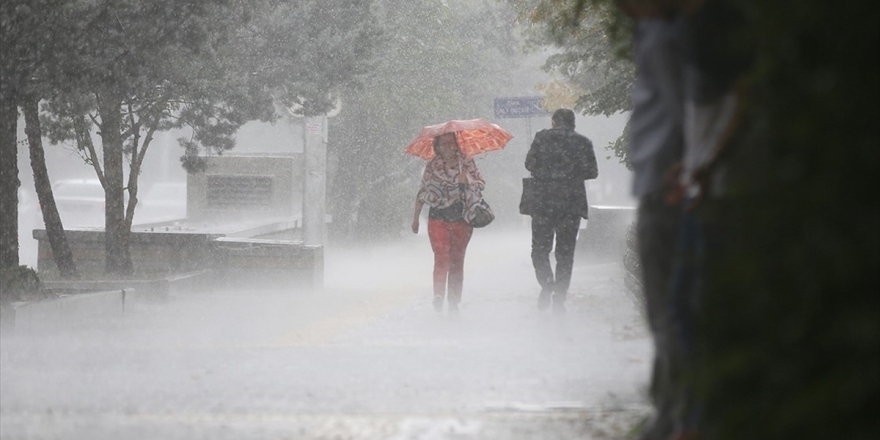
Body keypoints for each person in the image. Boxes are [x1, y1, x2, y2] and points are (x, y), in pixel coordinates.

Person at [614, 0, 687, 438]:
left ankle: (676, 414)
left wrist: (693, 164)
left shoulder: (665, 38)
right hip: (663, 184)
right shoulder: (659, 35)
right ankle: (672, 410)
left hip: (668, 186)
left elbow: (687, 108)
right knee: (667, 308)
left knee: (668, 308)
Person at [524, 108, 598, 314]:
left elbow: (529, 163)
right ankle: (560, 297)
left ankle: (547, 283)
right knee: (565, 254)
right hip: (571, 205)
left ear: (555, 121)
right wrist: (570, 173)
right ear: (573, 123)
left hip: (543, 204)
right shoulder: (583, 142)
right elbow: (593, 172)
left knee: (539, 250)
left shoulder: (541, 138)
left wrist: (547, 171)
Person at [411, 132, 486, 314]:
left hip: (462, 218)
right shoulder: (432, 166)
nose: (447, 146)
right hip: (438, 217)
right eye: (443, 143)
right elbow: (422, 191)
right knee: (441, 256)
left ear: (456, 144)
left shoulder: (466, 162)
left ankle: (454, 300)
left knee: (456, 260)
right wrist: (415, 218)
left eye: (451, 143)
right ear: (437, 146)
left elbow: (480, 184)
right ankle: (438, 295)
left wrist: (466, 179)